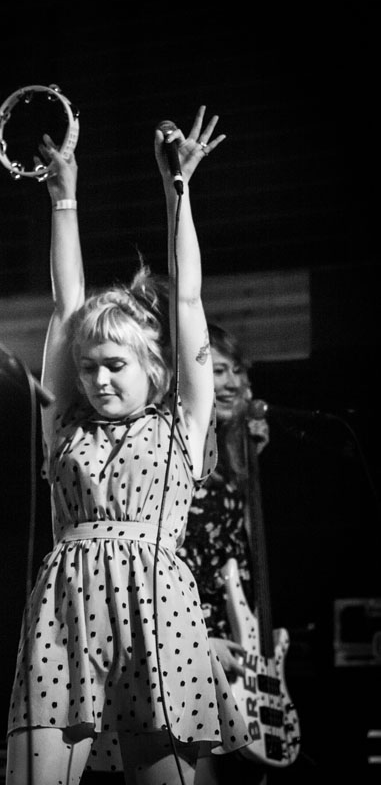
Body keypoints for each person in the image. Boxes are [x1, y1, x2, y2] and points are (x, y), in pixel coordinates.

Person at [4, 106, 252, 785]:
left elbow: (189, 303)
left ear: (153, 367)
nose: (98, 377)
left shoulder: (181, 425)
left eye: (115, 363)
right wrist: (63, 198)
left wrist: (178, 192)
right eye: (89, 366)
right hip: (65, 611)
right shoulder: (64, 424)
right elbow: (66, 307)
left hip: (160, 610)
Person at [177, 323, 270, 785]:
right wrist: (200, 638)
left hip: (238, 646)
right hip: (191, 642)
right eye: (218, 370)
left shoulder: (234, 456)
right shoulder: (182, 453)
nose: (231, 381)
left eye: (237, 370)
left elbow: (244, 559)